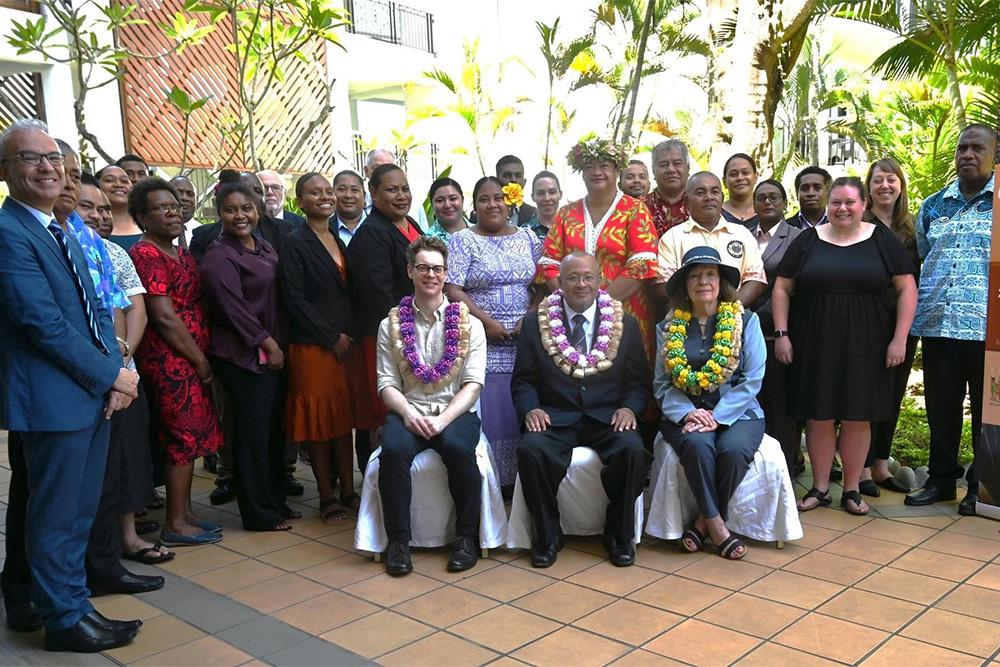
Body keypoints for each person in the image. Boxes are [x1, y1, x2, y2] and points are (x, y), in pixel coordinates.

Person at [0, 119, 142, 651]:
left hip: (91, 393)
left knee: (80, 510)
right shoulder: (9, 233)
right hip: (51, 397)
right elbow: (43, 324)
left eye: (53, 158)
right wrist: (113, 374)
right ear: (6, 171)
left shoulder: (62, 230)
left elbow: (98, 312)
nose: (46, 167)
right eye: (30, 158)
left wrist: (115, 375)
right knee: (55, 514)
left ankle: (76, 604)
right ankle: (61, 618)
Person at [772, 177, 917, 516]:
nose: (842, 208)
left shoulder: (881, 239)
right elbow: (781, 288)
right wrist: (782, 334)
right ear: (827, 204)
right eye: (836, 202)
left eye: (850, 202)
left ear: (863, 204)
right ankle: (820, 488)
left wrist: (900, 338)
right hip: (814, 341)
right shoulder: (808, 240)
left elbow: (907, 289)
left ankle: (851, 489)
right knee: (819, 414)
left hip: (868, 343)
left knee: (857, 415)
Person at [513, 252, 652, 568]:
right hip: (555, 415)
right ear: (559, 283)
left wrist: (630, 408)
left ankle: (618, 535)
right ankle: (547, 536)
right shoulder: (536, 323)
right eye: (573, 277)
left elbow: (637, 381)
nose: (581, 284)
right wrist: (531, 409)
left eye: (588, 276)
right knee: (531, 450)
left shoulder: (624, 323)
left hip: (607, 416)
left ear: (600, 280)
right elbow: (523, 380)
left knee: (632, 450)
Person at [376, 236, 487, 576]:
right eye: (423, 267)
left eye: (437, 269)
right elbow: (386, 384)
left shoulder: (470, 324)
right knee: (392, 450)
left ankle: (467, 538)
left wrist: (443, 421)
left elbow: (472, 385)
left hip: (454, 413)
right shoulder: (389, 325)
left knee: (457, 448)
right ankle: (398, 542)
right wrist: (409, 415)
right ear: (410, 271)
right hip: (408, 409)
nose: (430, 275)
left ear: (445, 273)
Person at [906, 124, 998, 514]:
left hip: (988, 331)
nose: (967, 155)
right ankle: (942, 481)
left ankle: (981, 485)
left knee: (985, 410)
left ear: (994, 155)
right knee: (941, 407)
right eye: (962, 148)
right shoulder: (933, 205)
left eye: (977, 148)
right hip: (938, 324)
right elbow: (925, 255)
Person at [78, 176, 169, 566]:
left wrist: (125, 356)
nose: (98, 215)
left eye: (102, 208)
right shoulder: (66, 248)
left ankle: (128, 537)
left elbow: (135, 307)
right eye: (88, 207)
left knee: (129, 455)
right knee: (93, 467)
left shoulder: (115, 253)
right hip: (86, 373)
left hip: (124, 370)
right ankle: (95, 552)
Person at [128, 178, 224, 545]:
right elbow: (164, 316)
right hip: (171, 359)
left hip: (190, 354)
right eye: (161, 208)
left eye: (174, 206)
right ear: (141, 217)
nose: (172, 212)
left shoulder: (178, 250)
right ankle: (174, 523)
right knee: (181, 436)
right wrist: (199, 360)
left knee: (193, 434)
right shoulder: (147, 254)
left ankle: (184, 512)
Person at [656, 246, 766, 560]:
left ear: (721, 282)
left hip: (740, 413)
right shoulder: (668, 328)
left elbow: (753, 377)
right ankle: (718, 525)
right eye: (694, 275)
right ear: (684, 285)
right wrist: (690, 413)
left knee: (732, 451)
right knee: (698, 446)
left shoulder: (748, 321)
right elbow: (662, 384)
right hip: (686, 413)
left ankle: (702, 522)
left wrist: (718, 416)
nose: (703, 282)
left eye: (710, 274)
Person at [199, 181, 296, 531]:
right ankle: (257, 513)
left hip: (273, 354)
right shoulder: (218, 256)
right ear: (218, 213)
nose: (240, 215)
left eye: (246, 208)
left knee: (271, 432)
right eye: (231, 209)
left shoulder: (263, 246)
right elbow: (233, 309)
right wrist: (268, 344)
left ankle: (275, 503)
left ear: (257, 210)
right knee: (251, 435)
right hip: (243, 357)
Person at [281, 173, 373, 521]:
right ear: (300, 201)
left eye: (327, 191)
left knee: (342, 419)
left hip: (345, 345)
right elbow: (295, 298)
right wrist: (329, 337)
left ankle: (348, 490)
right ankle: (326, 495)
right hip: (314, 347)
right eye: (313, 192)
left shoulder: (336, 237)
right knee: (318, 424)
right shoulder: (294, 242)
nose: (324, 197)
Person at [445, 176, 543, 487]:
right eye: (484, 199)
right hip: (483, 341)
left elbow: (544, 284)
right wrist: (487, 323)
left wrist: (527, 320)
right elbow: (452, 288)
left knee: (527, 407)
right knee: (493, 414)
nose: (492, 204)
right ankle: (496, 484)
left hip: (526, 341)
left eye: (499, 198)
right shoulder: (462, 240)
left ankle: (528, 480)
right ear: (474, 206)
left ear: (510, 201)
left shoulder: (529, 238)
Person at [540, 138, 659, 362]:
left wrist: (598, 306)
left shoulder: (634, 210)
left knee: (627, 378)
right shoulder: (566, 214)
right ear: (581, 172)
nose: (597, 172)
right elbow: (550, 264)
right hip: (572, 314)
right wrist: (573, 305)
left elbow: (641, 264)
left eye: (604, 166)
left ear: (617, 170)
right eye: (589, 167)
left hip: (626, 311)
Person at [860, 158, 921, 496]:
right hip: (867, 323)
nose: (885, 185)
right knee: (867, 392)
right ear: (868, 188)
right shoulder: (859, 224)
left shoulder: (913, 228)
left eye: (891, 179)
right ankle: (863, 466)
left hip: (904, 324)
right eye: (878, 180)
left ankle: (881, 463)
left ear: (901, 185)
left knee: (894, 393)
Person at [348, 163, 423, 427]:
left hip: (417, 329)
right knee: (386, 411)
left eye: (405, 189)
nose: (401, 196)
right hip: (388, 335)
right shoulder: (372, 234)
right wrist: (405, 331)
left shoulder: (409, 223)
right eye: (392, 190)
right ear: (374, 193)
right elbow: (379, 294)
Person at [745, 179, 803, 476]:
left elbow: (794, 285)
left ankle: (784, 469)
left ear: (784, 203)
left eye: (774, 197)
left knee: (780, 403)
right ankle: (751, 468)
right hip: (740, 328)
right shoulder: (740, 235)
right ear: (754, 204)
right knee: (750, 400)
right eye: (761, 198)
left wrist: (759, 315)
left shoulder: (797, 238)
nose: (767, 202)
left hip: (775, 330)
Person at [657, 172, 767, 307]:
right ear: (686, 201)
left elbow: (755, 279)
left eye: (714, 192)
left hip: (735, 321)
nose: (709, 197)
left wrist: (728, 312)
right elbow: (664, 284)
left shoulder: (742, 234)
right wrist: (699, 313)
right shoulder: (672, 238)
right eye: (700, 192)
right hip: (685, 321)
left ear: (721, 197)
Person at [190, 171, 294, 264]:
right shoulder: (203, 236)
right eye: (245, 190)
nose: (252, 195)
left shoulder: (283, 230)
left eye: (258, 191)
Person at [363, 149, 429, 229]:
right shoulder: (357, 205)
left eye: (390, 167)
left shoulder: (414, 206)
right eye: (377, 167)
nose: (384, 173)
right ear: (366, 171)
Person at [643, 139, 691, 238]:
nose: (671, 169)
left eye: (677, 163)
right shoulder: (638, 207)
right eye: (663, 165)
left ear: (688, 168)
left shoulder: (702, 204)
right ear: (653, 171)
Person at [98, 165, 142, 251]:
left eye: (124, 181)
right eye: (109, 180)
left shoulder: (147, 223)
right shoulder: (90, 225)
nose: (118, 185)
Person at [496, 154, 537, 225]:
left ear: (524, 183)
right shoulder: (486, 213)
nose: (513, 180)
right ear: (496, 181)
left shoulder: (534, 214)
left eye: (518, 176)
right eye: (507, 175)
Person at [720, 153, 758, 227]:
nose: (740, 178)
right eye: (733, 174)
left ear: (755, 177)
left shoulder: (768, 211)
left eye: (745, 173)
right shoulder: (716, 213)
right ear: (724, 182)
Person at [523, 170, 562, 241]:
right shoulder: (524, 233)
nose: (547, 198)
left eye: (552, 192)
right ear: (533, 197)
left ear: (560, 195)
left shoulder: (573, 228)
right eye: (540, 193)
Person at [333, 169, 367, 246]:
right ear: (332, 194)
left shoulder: (381, 228)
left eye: (354, 190)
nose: (348, 195)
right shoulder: (325, 229)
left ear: (364, 196)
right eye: (341, 189)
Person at [170, 175, 199, 249]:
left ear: (197, 200)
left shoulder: (205, 233)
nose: (185, 198)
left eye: (190, 194)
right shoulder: (157, 232)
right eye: (179, 193)